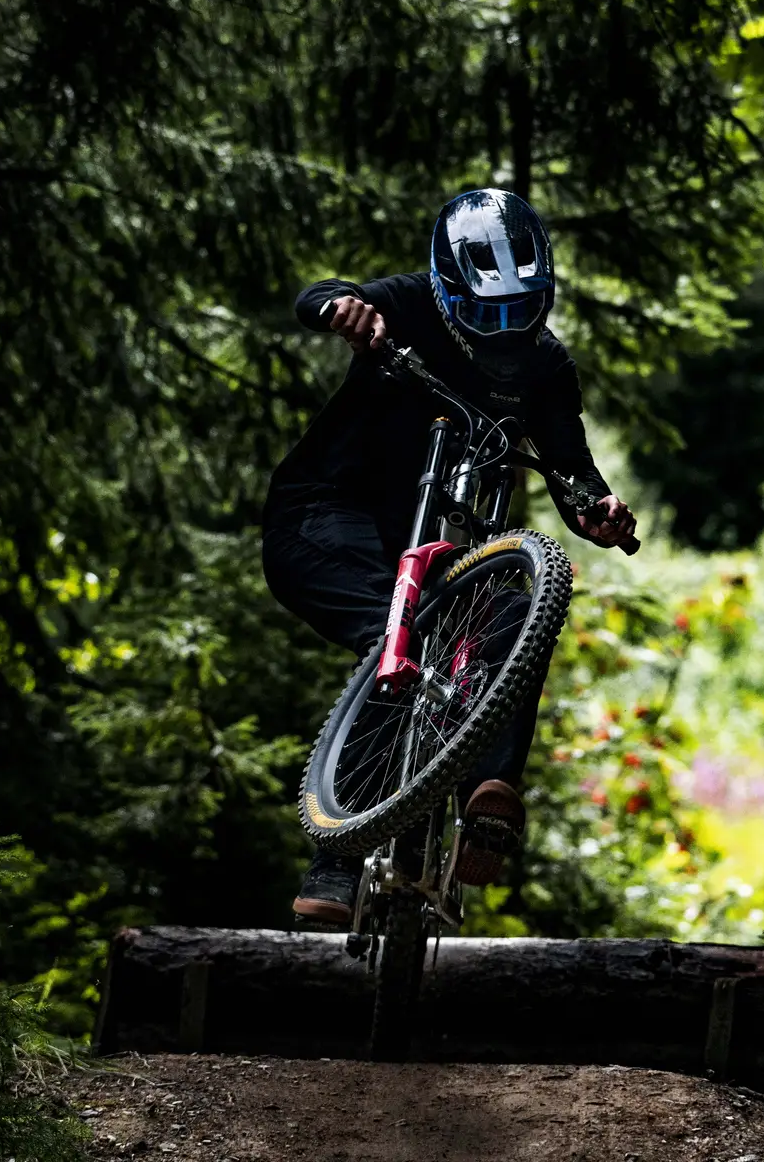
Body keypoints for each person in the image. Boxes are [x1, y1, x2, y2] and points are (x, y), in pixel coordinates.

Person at [262, 188, 636, 924]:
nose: (503, 332)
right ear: (444, 288)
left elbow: (571, 467)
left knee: (520, 611)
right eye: (485, 314)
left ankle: (490, 801)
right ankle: (335, 860)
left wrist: (597, 508)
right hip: (327, 517)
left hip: (439, 551)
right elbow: (319, 295)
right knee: (394, 641)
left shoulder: (546, 369)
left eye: (518, 313)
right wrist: (342, 309)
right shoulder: (404, 306)